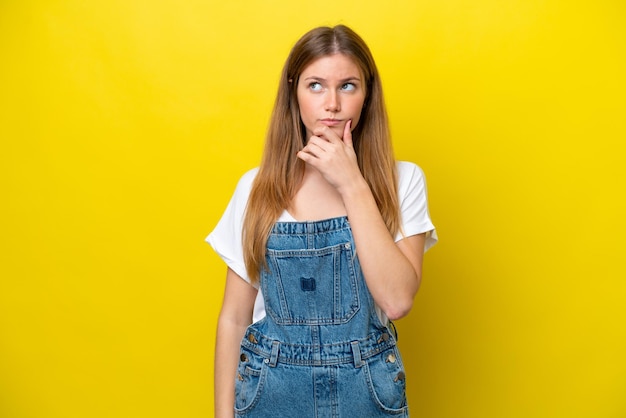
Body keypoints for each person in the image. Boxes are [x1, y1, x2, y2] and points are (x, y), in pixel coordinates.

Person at [207, 24, 437, 418]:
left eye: (348, 86)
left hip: (366, 395)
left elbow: (398, 300)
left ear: (367, 96)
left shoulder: (404, 181)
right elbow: (233, 317)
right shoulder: (256, 188)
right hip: (270, 394)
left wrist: (352, 184)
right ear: (294, 94)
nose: (332, 104)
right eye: (315, 85)